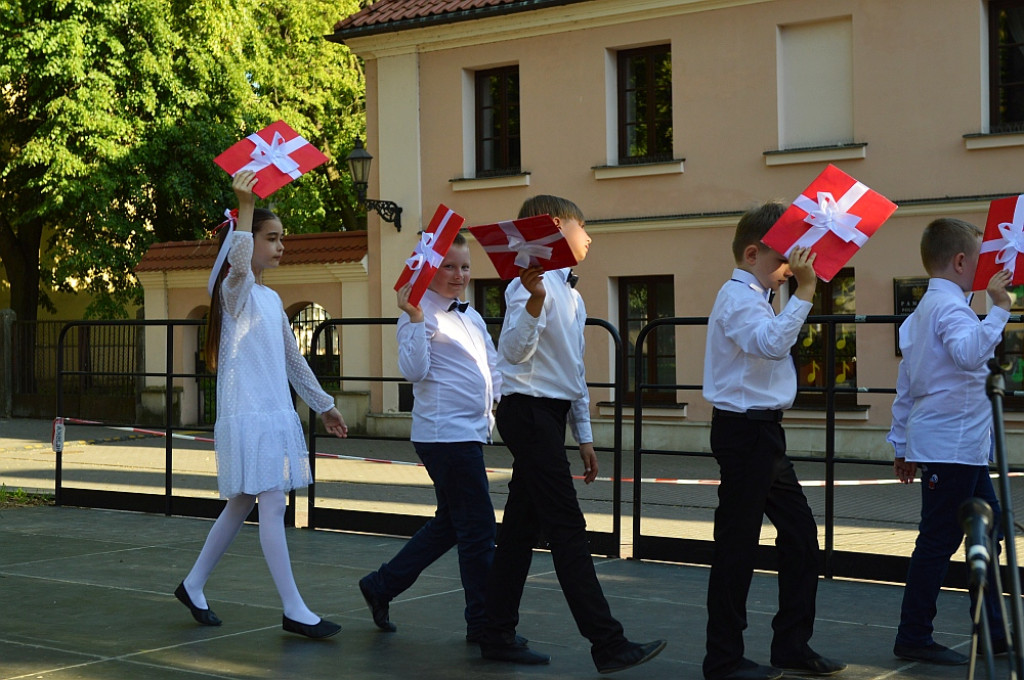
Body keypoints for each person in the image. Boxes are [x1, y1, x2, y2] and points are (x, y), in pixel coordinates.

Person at [478, 194, 667, 674]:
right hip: (527, 412)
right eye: (584, 227)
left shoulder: (575, 294)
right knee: (565, 527)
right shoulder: (529, 285)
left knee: (521, 529)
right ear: (557, 226)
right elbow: (514, 355)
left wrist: (583, 434)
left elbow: (574, 370)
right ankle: (607, 642)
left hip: (550, 413)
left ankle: (495, 630)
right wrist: (535, 300)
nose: (590, 237)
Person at [174, 170, 348, 639]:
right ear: (248, 243)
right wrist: (245, 207)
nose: (282, 246)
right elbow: (239, 267)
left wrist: (325, 405)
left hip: (271, 414)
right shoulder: (236, 294)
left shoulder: (271, 299)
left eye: (282, 239)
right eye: (272, 238)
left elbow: (294, 361)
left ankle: (193, 584)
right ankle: (294, 609)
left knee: (245, 503)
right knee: (271, 504)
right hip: (249, 414)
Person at [701, 201, 846, 680]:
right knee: (737, 545)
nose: (790, 269)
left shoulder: (758, 296)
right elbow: (769, 344)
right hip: (744, 432)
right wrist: (805, 291)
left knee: (801, 537)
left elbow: (771, 343)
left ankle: (791, 644)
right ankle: (723, 658)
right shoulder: (737, 297)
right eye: (784, 259)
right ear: (750, 255)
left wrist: (795, 293)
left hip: (763, 433)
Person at [357, 233, 502, 643]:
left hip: (468, 433)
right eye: (449, 267)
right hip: (445, 436)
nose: (459, 275)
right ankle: (484, 623)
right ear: (428, 271)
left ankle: (381, 585)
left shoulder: (470, 316)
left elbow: (493, 369)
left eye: (465, 267)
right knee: (478, 528)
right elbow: (414, 371)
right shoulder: (418, 314)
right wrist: (417, 319)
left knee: (453, 524)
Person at [888, 217, 1013, 665]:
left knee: (988, 530)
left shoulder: (924, 311)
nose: (984, 272)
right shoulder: (950, 309)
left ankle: (995, 632)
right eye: (979, 262)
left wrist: (901, 444)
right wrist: (999, 308)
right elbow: (967, 354)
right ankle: (915, 636)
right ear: (961, 261)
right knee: (940, 541)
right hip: (953, 445)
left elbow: (907, 385)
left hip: (955, 446)